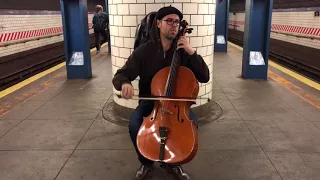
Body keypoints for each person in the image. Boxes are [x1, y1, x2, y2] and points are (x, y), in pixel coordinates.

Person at [112, 6, 209, 180]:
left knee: (191, 125)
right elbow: (121, 74)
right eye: (169, 21)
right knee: (135, 125)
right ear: (158, 24)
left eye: (177, 22)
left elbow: (204, 76)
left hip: (178, 104)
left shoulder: (183, 51)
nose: (174, 25)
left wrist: (191, 52)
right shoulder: (145, 51)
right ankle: (146, 162)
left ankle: (172, 163)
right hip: (151, 103)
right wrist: (125, 83)